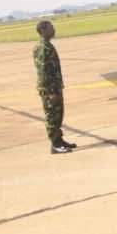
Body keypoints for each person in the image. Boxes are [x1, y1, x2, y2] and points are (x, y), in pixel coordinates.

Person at [34, 20, 74, 154]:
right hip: (50, 89)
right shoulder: (43, 48)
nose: (54, 29)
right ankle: (55, 144)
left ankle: (59, 139)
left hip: (54, 87)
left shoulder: (47, 45)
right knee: (52, 116)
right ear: (43, 31)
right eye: (51, 28)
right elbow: (43, 71)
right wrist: (51, 91)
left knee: (58, 114)